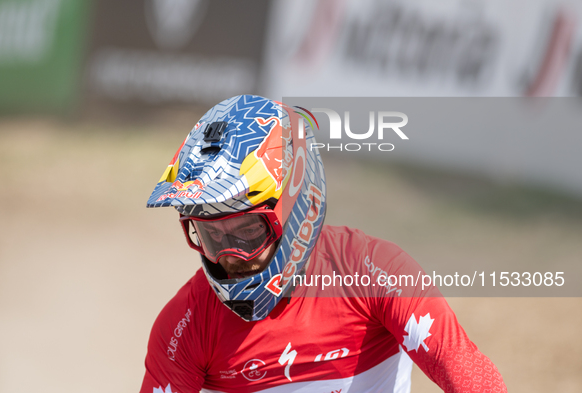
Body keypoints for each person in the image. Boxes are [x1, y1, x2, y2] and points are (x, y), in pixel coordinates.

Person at [140, 95, 507, 393]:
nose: (228, 255)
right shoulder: (185, 325)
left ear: (295, 201)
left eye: (247, 231)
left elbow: (468, 375)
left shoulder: (375, 273)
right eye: (209, 235)